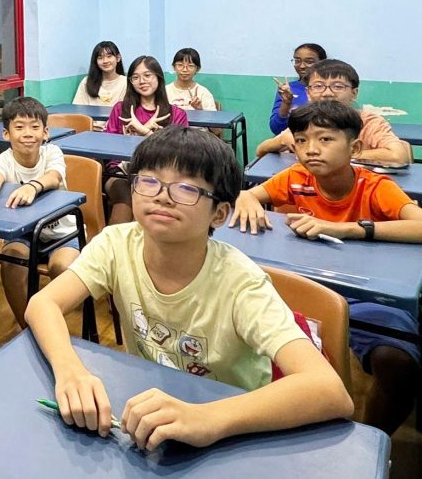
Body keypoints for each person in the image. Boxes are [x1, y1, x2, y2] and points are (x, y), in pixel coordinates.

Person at [25, 127, 353, 450]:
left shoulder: (241, 283)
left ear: (219, 214)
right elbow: (43, 304)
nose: (162, 196)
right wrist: (70, 371)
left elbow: (329, 390)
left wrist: (207, 418)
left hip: (237, 426)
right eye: (149, 181)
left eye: (185, 188)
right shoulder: (115, 244)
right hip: (149, 408)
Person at [230, 100, 422, 434]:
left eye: (325, 139)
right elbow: (252, 194)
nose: (310, 149)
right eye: (301, 140)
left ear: (355, 147)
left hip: (363, 295)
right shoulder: (296, 177)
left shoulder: (375, 187)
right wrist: (246, 197)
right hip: (302, 288)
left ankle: (371, 439)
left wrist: (349, 229)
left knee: (397, 361)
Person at [0, 97, 79, 329]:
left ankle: (51, 326)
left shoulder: (52, 153)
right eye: (19, 127)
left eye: (34, 127)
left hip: (62, 233)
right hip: (24, 234)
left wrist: (33, 186)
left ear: (45, 133)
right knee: (11, 261)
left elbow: (54, 177)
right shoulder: (2, 161)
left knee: (62, 267)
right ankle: (27, 328)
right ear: (6, 134)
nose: (28, 133)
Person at [255, 59, 411, 166]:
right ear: (308, 93)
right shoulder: (305, 120)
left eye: (337, 86)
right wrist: (283, 140)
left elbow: (398, 156)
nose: (327, 93)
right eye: (318, 86)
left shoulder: (369, 122)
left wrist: (337, 156)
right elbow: (261, 150)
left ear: (354, 93)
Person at [103, 56, 190, 225]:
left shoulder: (177, 114)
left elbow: (180, 154)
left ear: (158, 77)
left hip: (163, 176)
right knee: (125, 199)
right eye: (135, 77)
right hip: (120, 172)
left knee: (148, 198)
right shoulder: (121, 109)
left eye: (147, 75)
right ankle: (113, 241)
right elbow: (108, 146)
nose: (142, 81)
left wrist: (145, 132)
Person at [270, 43, 326, 134]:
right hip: (292, 139)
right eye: (297, 61)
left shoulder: (330, 89)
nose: (302, 66)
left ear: (322, 63)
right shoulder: (288, 89)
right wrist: (286, 103)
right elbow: (276, 129)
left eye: (309, 62)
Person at [72, 41, 126, 130]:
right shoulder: (86, 82)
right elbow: (77, 109)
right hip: (89, 130)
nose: (105, 61)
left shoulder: (126, 82)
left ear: (118, 58)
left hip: (114, 131)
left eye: (109, 56)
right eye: (100, 58)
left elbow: (125, 112)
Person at [164, 47, 217, 112]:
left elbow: (212, 117)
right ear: (174, 67)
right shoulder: (165, 91)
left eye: (190, 66)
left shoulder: (203, 93)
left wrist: (200, 109)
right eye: (180, 65)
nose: (185, 69)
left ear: (197, 69)